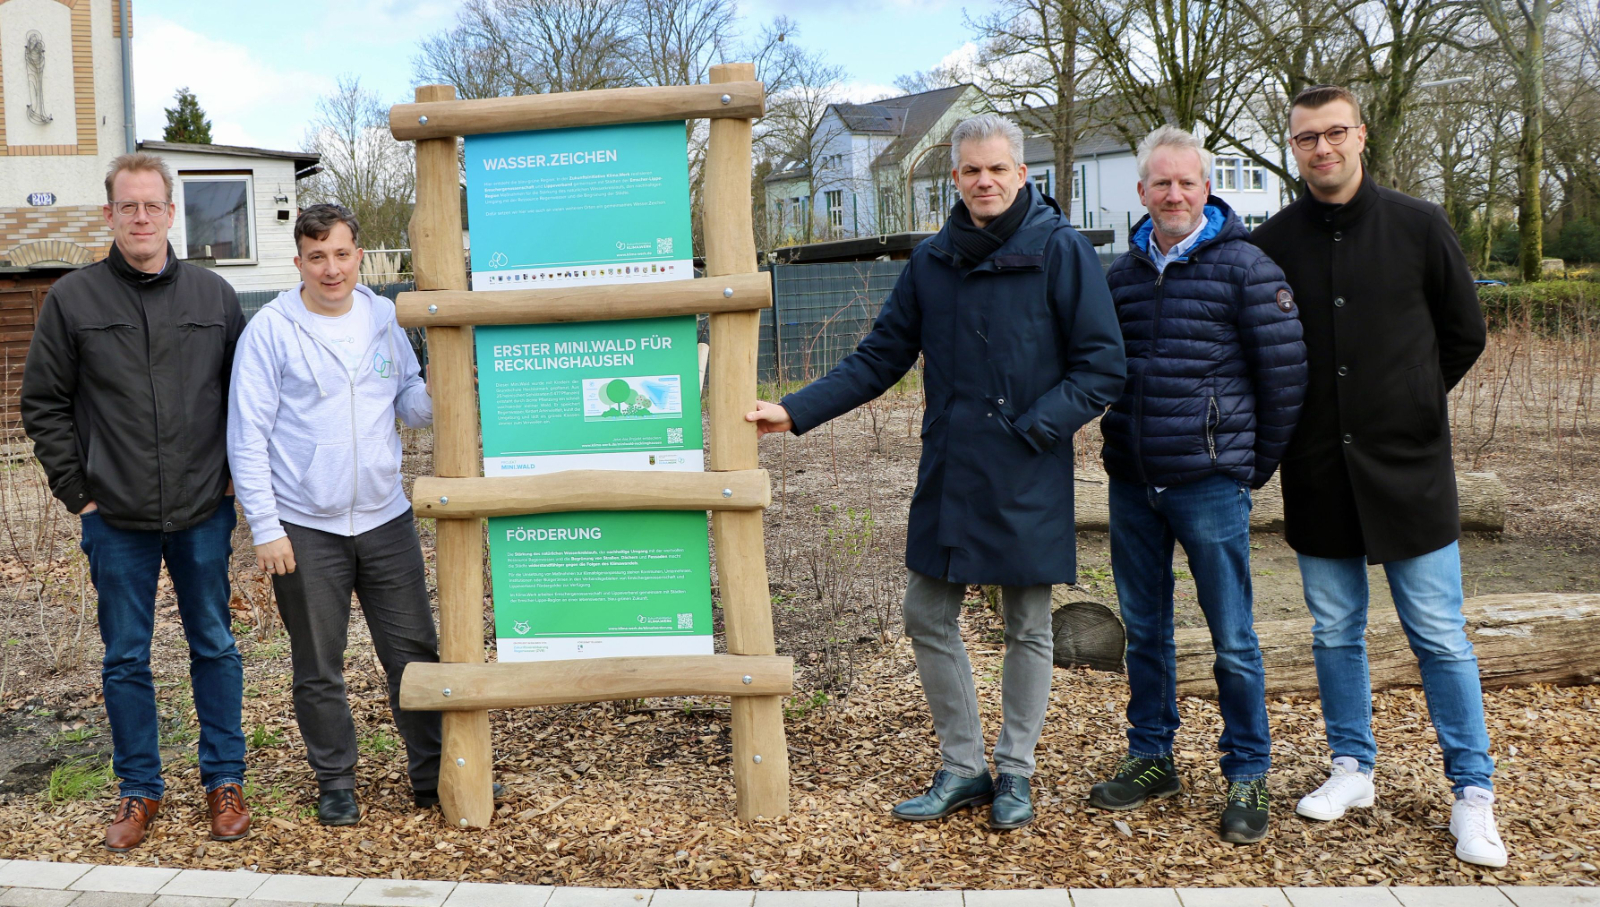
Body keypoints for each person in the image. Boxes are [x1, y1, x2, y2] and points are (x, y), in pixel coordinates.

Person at [746, 113, 1126, 831]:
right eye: (971, 170)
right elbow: (878, 357)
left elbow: (1102, 365)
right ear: (954, 178)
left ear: (1021, 174)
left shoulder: (1062, 251)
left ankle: (1015, 769)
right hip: (952, 469)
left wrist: (1037, 426)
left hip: (1025, 465)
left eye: (997, 168)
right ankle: (962, 765)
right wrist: (795, 411)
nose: (984, 180)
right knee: (926, 612)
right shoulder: (932, 260)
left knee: (1027, 622)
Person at [1249, 85, 1503, 868]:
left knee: (1439, 634)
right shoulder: (1273, 241)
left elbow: (1464, 333)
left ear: (1361, 135)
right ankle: (1352, 766)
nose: (1321, 148)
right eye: (1305, 139)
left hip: (1410, 469)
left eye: (1334, 133)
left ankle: (1473, 793)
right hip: (1320, 469)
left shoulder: (1419, 224)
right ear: (1292, 148)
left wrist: (1413, 404)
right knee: (1333, 628)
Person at [20, 153, 251, 851]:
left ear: (172, 213)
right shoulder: (73, 300)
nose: (142, 218)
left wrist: (237, 477)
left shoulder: (213, 297)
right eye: (130, 207)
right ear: (110, 214)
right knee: (126, 656)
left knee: (214, 643)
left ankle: (224, 780)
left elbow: (247, 397)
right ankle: (139, 789)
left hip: (202, 509)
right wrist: (77, 493)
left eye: (153, 205)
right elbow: (43, 402)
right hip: (114, 517)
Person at [1087, 125, 1306, 844]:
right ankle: (1152, 756)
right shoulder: (1119, 276)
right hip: (1133, 482)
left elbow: (1285, 380)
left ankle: (1248, 768)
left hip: (1210, 483)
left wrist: (1247, 466)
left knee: (1233, 637)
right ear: (1142, 191)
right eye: (1161, 183)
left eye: (1187, 182)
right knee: (1145, 633)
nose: (1174, 194)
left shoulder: (1246, 267)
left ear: (1205, 189)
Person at [227, 204, 442, 826]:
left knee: (414, 653)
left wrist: (442, 390)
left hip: (385, 517)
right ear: (298, 262)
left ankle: (430, 774)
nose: (331, 269)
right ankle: (337, 782)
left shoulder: (382, 317)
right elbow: (247, 436)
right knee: (318, 663)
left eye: (342, 254)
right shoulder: (270, 330)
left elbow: (407, 400)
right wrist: (265, 526)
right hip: (304, 525)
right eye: (316, 257)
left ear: (359, 258)